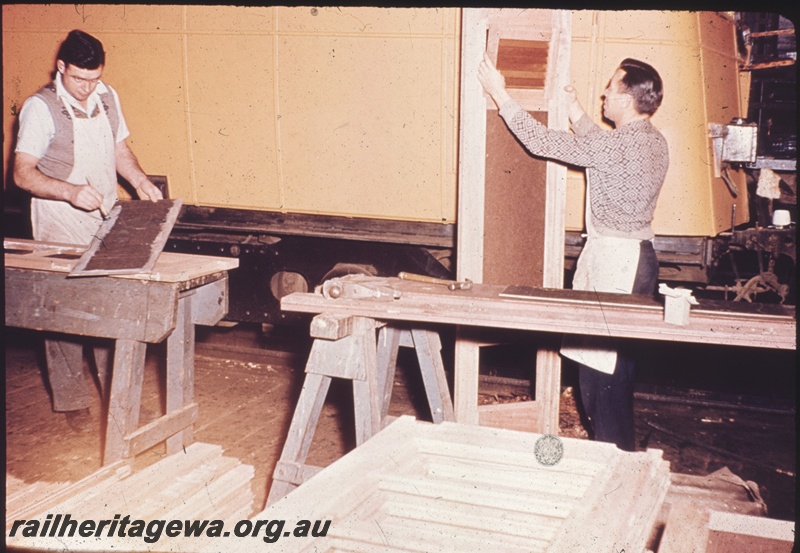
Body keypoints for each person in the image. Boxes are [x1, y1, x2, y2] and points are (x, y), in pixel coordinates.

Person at [479, 54, 668, 451]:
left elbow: (540, 141)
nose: (604, 93)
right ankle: (617, 459)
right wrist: (575, 110)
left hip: (615, 264)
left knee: (600, 382)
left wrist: (500, 94)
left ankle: (613, 466)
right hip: (637, 260)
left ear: (629, 98)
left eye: (610, 87)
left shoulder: (618, 147)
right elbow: (602, 146)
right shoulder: (652, 140)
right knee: (615, 378)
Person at [13, 29, 163, 431]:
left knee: (111, 308)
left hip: (102, 216)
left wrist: (140, 182)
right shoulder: (39, 108)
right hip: (59, 220)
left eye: (94, 79)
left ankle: (119, 402)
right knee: (64, 315)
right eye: (79, 79)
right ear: (61, 68)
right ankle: (72, 404)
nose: (87, 88)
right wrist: (69, 192)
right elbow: (22, 174)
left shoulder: (106, 97)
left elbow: (119, 150)